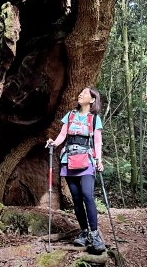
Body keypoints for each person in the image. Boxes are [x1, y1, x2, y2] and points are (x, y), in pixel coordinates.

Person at [46, 87, 106, 253]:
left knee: (87, 195)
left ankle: (94, 234)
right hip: (69, 160)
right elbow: (62, 135)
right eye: (81, 92)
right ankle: (84, 231)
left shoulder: (95, 119)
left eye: (85, 93)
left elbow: (98, 142)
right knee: (77, 199)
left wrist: (99, 160)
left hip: (87, 161)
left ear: (92, 100)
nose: (81, 94)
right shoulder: (70, 115)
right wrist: (54, 143)